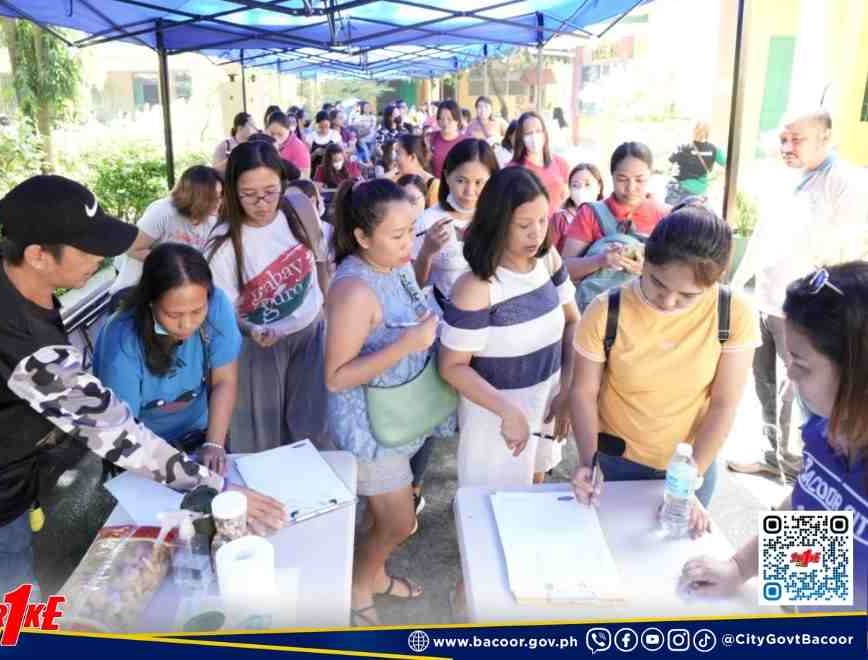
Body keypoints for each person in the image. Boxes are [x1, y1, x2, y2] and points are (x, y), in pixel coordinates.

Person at [0, 176, 284, 602]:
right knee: (6, 609)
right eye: (88, 247)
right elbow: (121, 435)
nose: (101, 257)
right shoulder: (27, 349)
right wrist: (217, 488)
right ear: (38, 254)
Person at [683, 262, 867, 615]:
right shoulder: (825, 432)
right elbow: (809, 510)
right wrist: (738, 569)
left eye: (801, 364)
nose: (789, 377)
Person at [439, 167, 579, 615]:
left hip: (544, 404)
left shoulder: (550, 262)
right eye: (524, 224)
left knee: (531, 499)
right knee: (488, 517)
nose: (537, 234)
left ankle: (515, 599)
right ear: (498, 222)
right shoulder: (476, 286)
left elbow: (572, 322)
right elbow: (453, 366)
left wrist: (569, 388)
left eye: (543, 221)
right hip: (493, 422)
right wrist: (506, 410)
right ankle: (469, 603)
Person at [570, 203, 761, 515]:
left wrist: (691, 478)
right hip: (616, 462)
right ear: (645, 259)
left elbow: (724, 402)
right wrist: (587, 462)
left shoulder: (733, 313)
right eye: (657, 283)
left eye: (688, 296)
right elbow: (583, 392)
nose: (668, 302)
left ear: (716, 280)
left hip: (692, 464)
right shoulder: (606, 311)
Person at [325, 178, 454, 626]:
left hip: (400, 411)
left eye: (412, 231)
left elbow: (405, 297)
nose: (408, 244)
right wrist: (407, 344)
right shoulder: (352, 291)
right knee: (399, 521)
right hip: (369, 427)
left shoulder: (393, 264)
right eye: (398, 236)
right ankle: (360, 584)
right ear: (361, 237)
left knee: (391, 516)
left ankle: (374, 574)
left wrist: (425, 257)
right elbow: (336, 378)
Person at [727, 109, 866, 482]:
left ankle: (797, 461)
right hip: (768, 302)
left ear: (826, 139)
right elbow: (761, 238)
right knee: (770, 386)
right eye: (783, 139)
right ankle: (777, 457)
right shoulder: (783, 179)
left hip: (810, 316)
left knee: (802, 395)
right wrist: (736, 285)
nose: (787, 147)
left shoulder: (846, 183)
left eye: (797, 139)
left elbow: (855, 255)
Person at [207, 141, 330, 453]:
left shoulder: (299, 208)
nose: (262, 203)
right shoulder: (221, 245)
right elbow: (221, 313)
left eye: (270, 191)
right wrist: (253, 330)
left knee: (311, 430)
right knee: (262, 437)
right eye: (249, 194)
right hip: (259, 348)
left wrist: (326, 310)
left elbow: (319, 259)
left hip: (310, 334)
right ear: (232, 191)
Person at [94, 244, 241, 476]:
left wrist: (214, 444)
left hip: (201, 432)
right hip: (142, 445)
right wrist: (184, 475)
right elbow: (123, 430)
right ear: (151, 303)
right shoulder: (121, 338)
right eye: (174, 315)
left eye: (197, 311)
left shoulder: (217, 304)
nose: (187, 324)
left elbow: (224, 379)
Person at [562, 142, 667, 305]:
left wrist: (645, 271)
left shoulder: (664, 216)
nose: (630, 187)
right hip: (596, 313)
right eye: (622, 179)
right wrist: (601, 260)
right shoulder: (590, 214)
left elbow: (677, 277)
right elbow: (565, 270)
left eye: (639, 180)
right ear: (611, 176)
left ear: (650, 176)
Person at [412, 138, 499, 309]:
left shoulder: (498, 216)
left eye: (479, 182)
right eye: (461, 180)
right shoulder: (428, 221)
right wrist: (427, 252)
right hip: (446, 317)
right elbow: (415, 285)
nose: (469, 191)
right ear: (446, 176)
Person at [110, 165, 222, 295]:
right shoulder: (163, 212)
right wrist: (174, 264)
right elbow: (132, 249)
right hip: (136, 288)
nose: (218, 202)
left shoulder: (211, 220)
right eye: (211, 198)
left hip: (173, 291)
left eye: (220, 195)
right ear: (195, 197)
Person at [507, 111, 570, 212]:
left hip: (559, 226)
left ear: (544, 134)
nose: (534, 137)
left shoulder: (561, 163)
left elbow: (568, 199)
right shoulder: (512, 170)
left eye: (538, 131)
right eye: (528, 133)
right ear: (520, 137)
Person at [666, 121, 726, 205]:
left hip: (680, 191)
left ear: (693, 131)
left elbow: (669, 162)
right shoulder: (714, 149)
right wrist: (718, 175)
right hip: (700, 194)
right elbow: (729, 164)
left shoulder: (683, 147)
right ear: (707, 132)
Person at [550, 163, 604, 254]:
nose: (581, 189)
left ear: (599, 187)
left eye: (587, 184)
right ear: (570, 190)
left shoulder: (607, 216)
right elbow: (548, 255)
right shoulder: (560, 219)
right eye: (575, 185)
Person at [394, 133, 438, 207]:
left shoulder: (434, 186)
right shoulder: (395, 179)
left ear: (412, 157)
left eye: (398, 153)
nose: (395, 158)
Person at [266, 111, 311, 179]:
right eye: (272, 133)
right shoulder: (265, 142)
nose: (275, 138)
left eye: (280, 134)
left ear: (288, 129)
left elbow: (305, 177)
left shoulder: (299, 147)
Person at [428, 100, 465, 178]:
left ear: (457, 120)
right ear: (437, 120)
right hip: (434, 186)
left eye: (449, 119)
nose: (445, 123)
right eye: (441, 118)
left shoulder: (465, 142)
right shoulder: (430, 138)